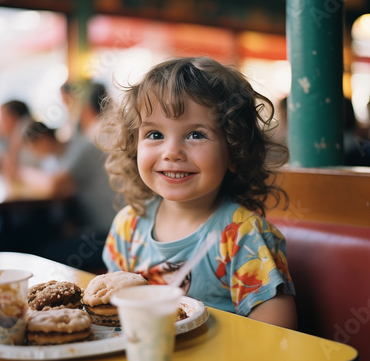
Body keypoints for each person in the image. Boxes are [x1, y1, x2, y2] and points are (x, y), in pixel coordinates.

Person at [98, 56, 297, 330]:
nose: (172, 153)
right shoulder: (127, 226)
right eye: (155, 134)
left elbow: (278, 337)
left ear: (235, 151)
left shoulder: (242, 236)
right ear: (134, 147)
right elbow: (109, 318)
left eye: (196, 135)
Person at [19, 120, 118, 270]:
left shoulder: (81, 148)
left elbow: (53, 185)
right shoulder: (54, 159)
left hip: (109, 232)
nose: (34, 154)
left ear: (43, 139)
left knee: (44, 253)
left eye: (32, 148)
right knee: (35, 237)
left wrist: (21, 172)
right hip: (91, 228)